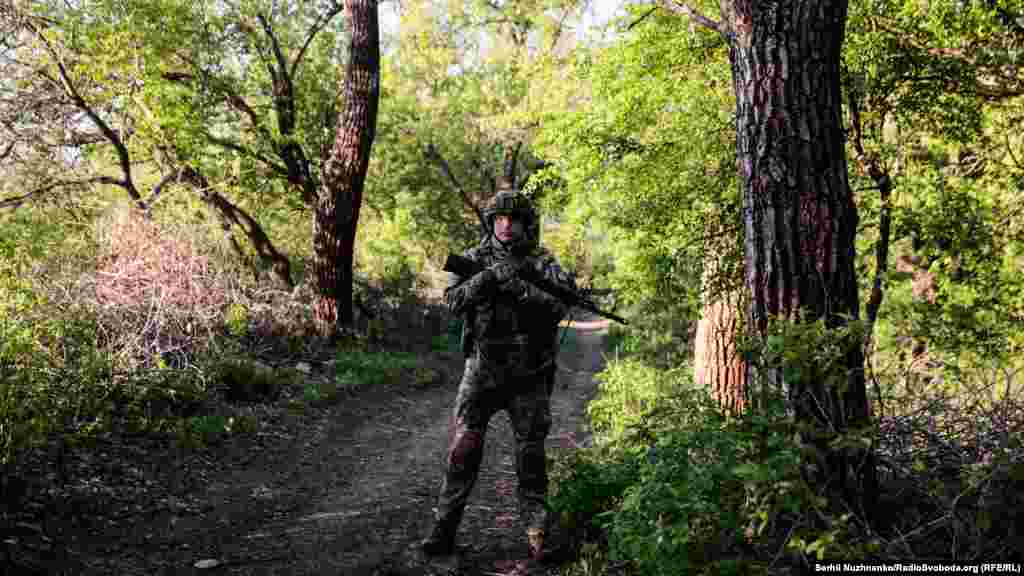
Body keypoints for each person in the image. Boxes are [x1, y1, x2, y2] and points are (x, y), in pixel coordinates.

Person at [421, 189, 576, 561]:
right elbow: (453, 301)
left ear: (526, 223)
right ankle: (443, 531)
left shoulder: (542, 262)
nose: (507, 226)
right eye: (500, 219)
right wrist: (487, 279)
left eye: (514, 219)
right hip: (482, 369)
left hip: (530, 373)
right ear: (491, 222)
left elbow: (560, 306)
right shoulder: (473, 258)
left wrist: (520, 288)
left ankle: (539, 536)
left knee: (530, 458)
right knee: (463, 451)